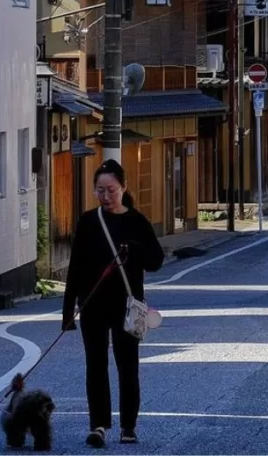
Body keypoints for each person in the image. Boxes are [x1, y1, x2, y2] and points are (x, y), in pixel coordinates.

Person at [63, 159, 164, 448]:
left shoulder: (136, 221)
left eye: (111, 190)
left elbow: (156, 261)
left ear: (123, 188)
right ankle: (98, 425)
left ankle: (128, 426)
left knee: (127, 366)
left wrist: (134, 249)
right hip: (93, 304)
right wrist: (68, 310)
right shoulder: (87, 221)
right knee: (95, 365)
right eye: (100, 191)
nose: (105, 196)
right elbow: (75, 267)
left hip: (128, 305)